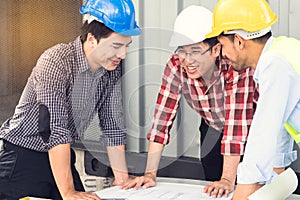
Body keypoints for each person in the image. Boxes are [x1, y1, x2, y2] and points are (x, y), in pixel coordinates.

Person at [0, 0, 141, 199]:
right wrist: (68, 192)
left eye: (127, 46)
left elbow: (112, 127)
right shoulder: (56, 61)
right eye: (116, 46)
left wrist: (122, 179)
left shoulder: (111, 69)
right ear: (92, 39)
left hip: (62, 156)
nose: (123, 54)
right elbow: (53, 128)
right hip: (23, 157)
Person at [122, 5, 257, 198]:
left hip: (249, 130)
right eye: (182, 51)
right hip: (212, 127)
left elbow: (236, 128)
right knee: (213, 187)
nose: (187, 60)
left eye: (195, 51)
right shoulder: (176, 66)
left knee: (247, 188)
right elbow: (162, 120)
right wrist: (150, 173)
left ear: (215, 49)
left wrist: (228, 179)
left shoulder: (235, 67)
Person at [206, 0, 300, 199]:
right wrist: (277, 173)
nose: (222, 54)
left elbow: (263, 132)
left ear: (239, 41)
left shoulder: (275, 65)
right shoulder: (281, 53)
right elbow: (280, 123)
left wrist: (244, 190)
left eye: (222, 45)